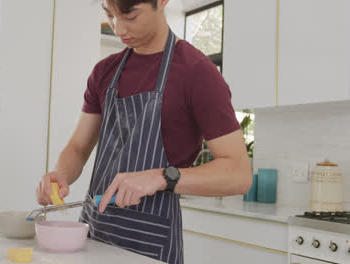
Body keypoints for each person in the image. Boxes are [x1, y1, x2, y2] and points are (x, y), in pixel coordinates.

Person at [36, 0, 252, 263]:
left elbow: (239, 175)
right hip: (95, 234)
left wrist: (161, 177)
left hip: (151, 244)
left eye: (129, 16)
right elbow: (79, 147)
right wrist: (61, 174)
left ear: (161, 2)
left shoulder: (197, 73)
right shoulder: (105, 72)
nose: (118, 29)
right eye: (109, 15)